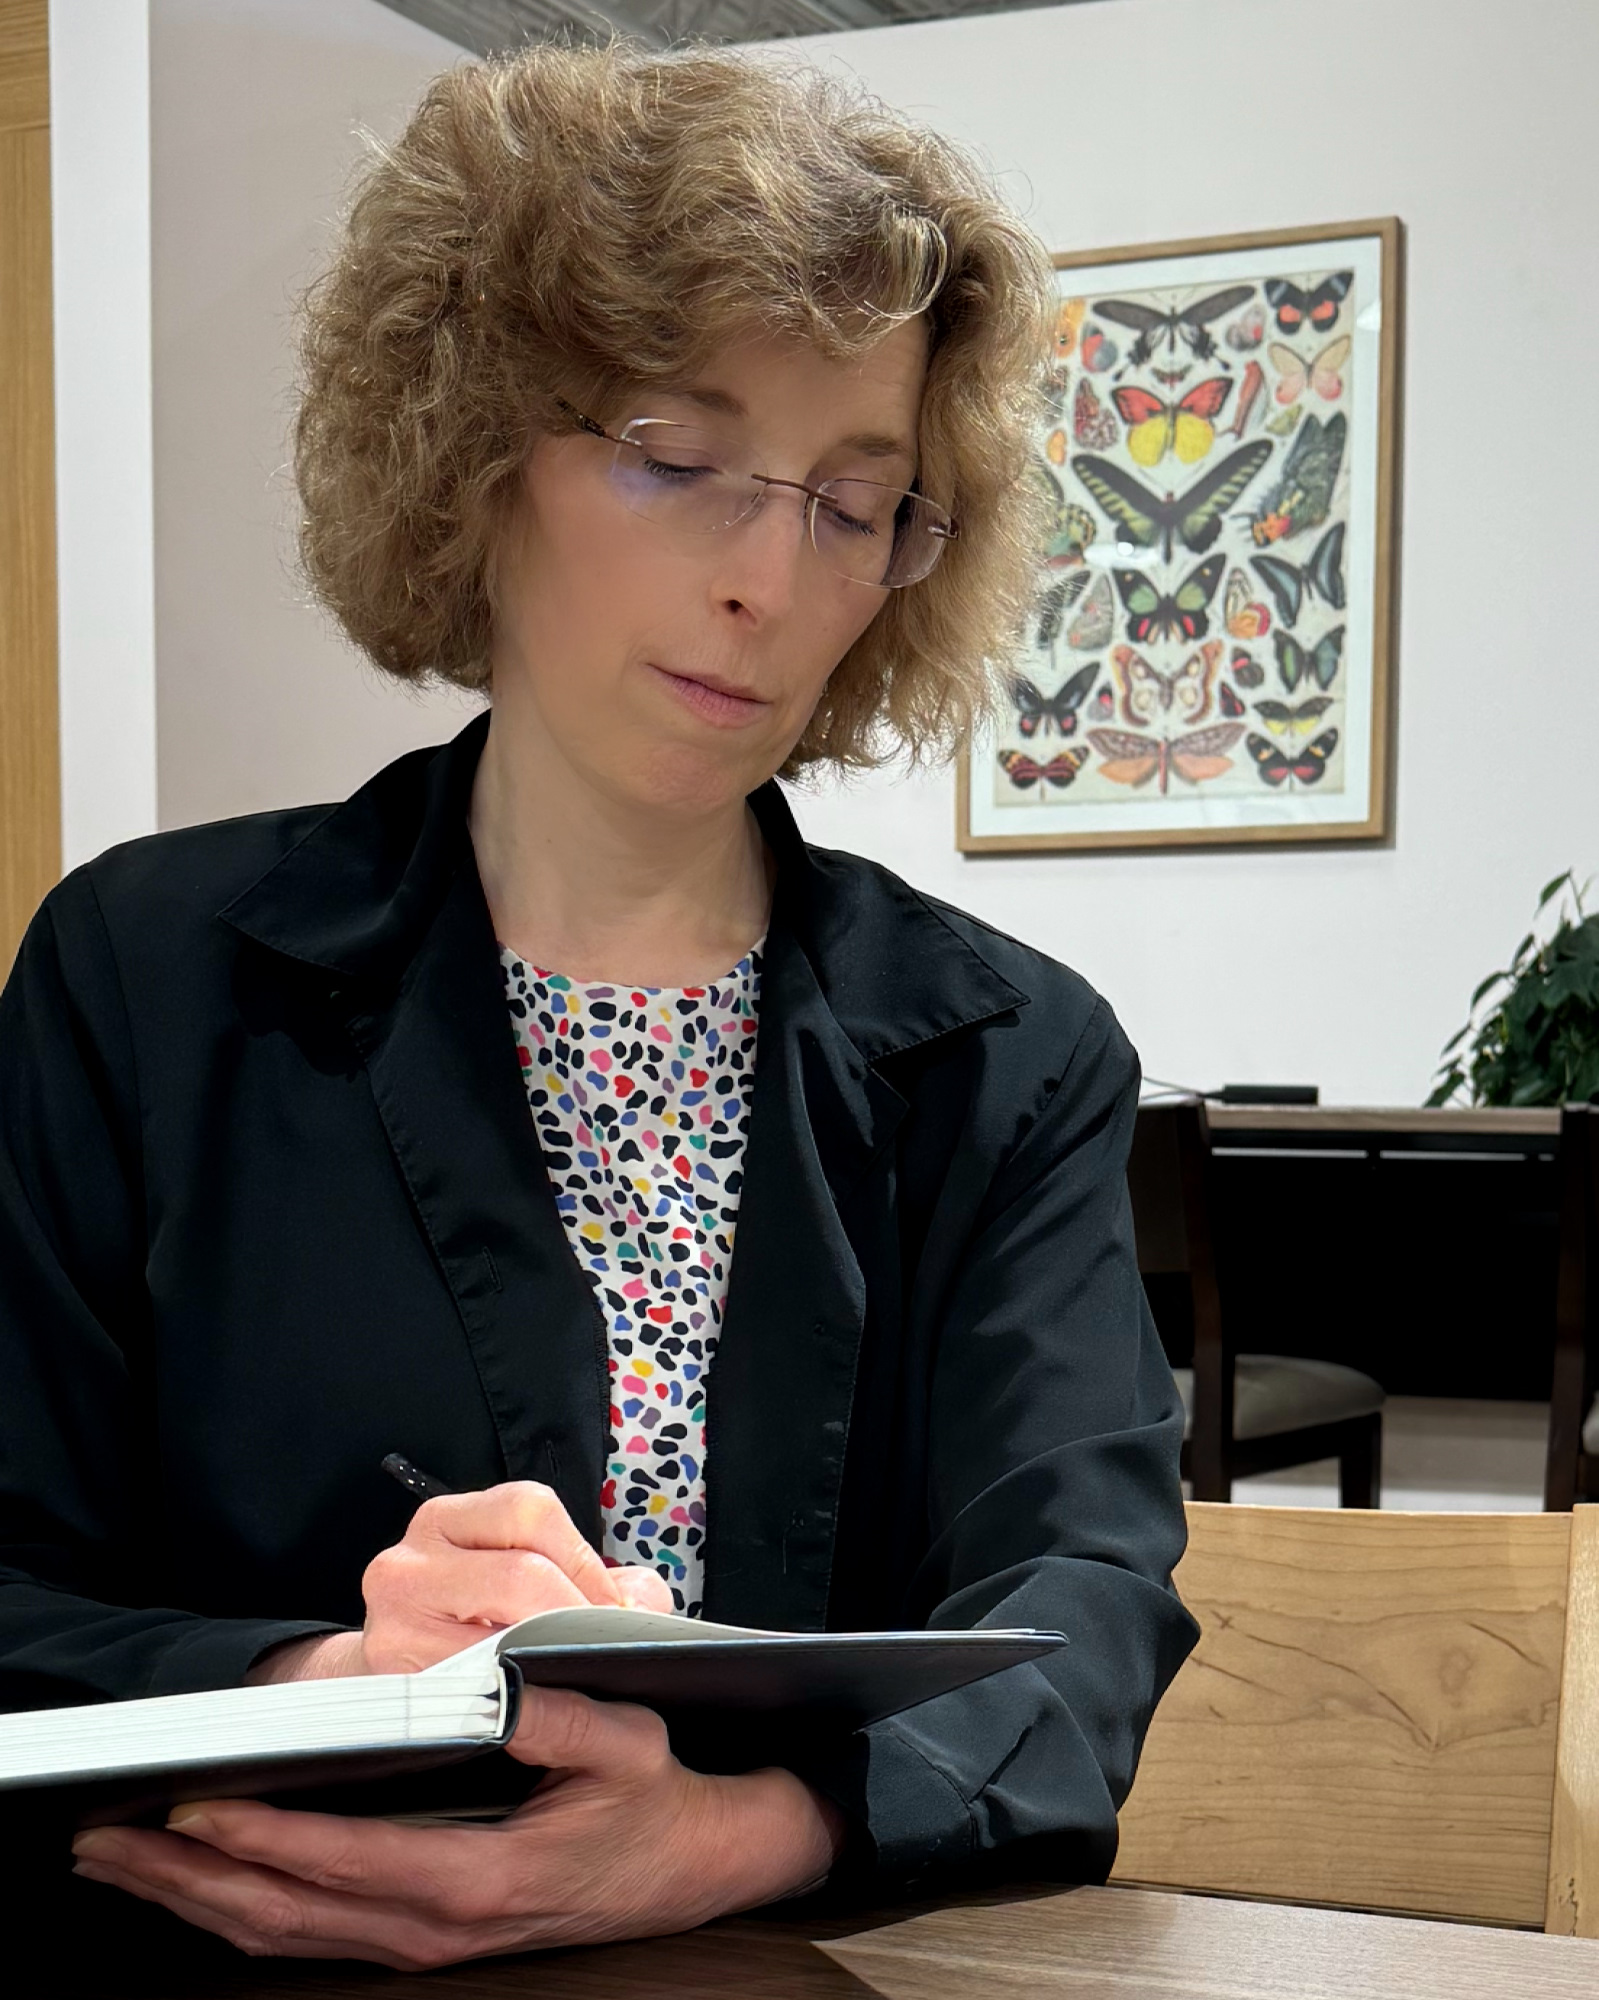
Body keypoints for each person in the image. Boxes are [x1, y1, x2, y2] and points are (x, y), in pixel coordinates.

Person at [0, 37, 1195, 1971]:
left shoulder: (1012, 1059)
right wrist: (327, 1674)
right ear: (473, 454)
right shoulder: (143, 981)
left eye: (851, 501)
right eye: (673, 454)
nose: (769, 581)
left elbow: (1084, 1613)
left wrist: (737, 1837)